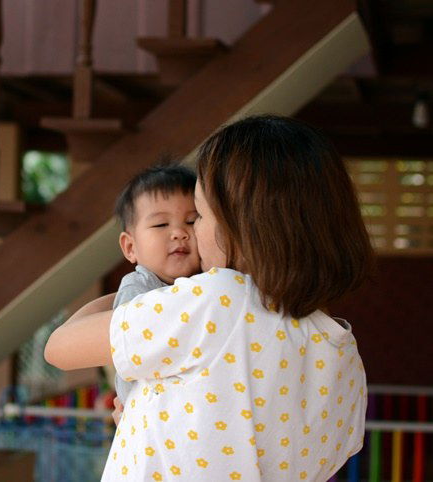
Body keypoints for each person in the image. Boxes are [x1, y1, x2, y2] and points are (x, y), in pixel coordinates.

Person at [45, 115, 373, 481]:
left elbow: (59, 347)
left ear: (241, 226)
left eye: (197, 215)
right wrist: (144, 414)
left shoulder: (220, 299)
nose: (188, 233)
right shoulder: (344, 357)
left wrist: (136, 289)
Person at [109, 163, 201, 411]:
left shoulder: (208, 283)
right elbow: (130, 357)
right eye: (161, 224)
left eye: (192, 221)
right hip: (150, 414)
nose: (179, 232)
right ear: (130, 247)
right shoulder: (138, 290)